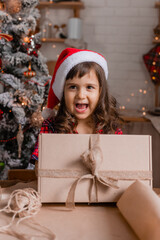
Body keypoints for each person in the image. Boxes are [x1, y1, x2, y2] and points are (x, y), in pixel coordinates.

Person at [31, 48, 122, 165]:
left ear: (100, 92)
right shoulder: (51, 128)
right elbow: (41, 168)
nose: (81, 95)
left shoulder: (111, 131)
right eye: (73, 87)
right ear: (63, 92)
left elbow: (119, 166)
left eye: (89, 87)